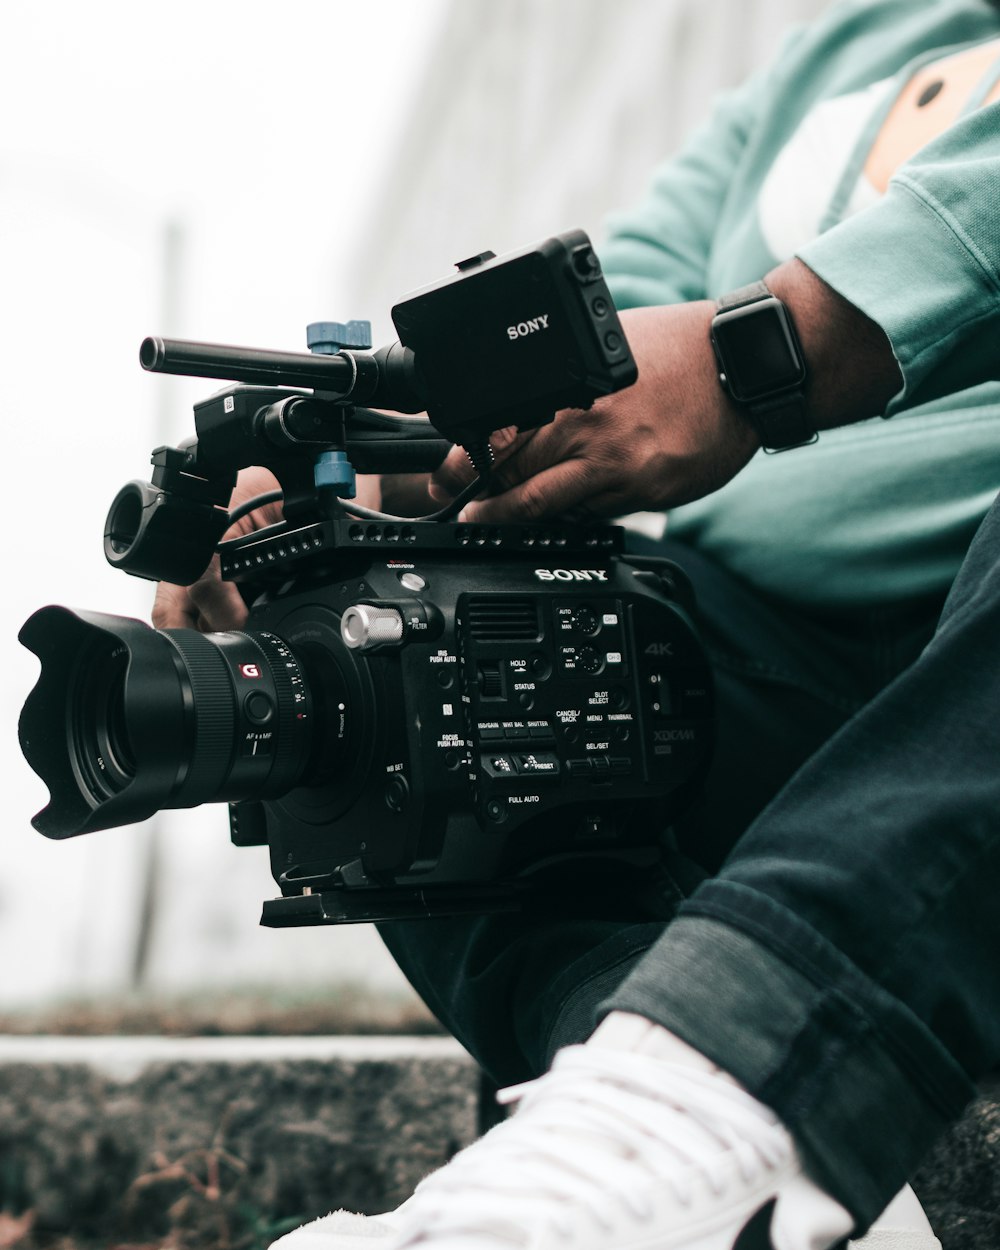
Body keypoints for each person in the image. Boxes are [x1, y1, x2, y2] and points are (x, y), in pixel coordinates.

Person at [156, 2, 1000, 1247]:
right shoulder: (850, 45)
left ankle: (736, 1083)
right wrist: (324, 476)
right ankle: (648, 1145)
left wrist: (757, 356)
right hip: (764, 677)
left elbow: (705, 358)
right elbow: (587, 331)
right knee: (373, 638)